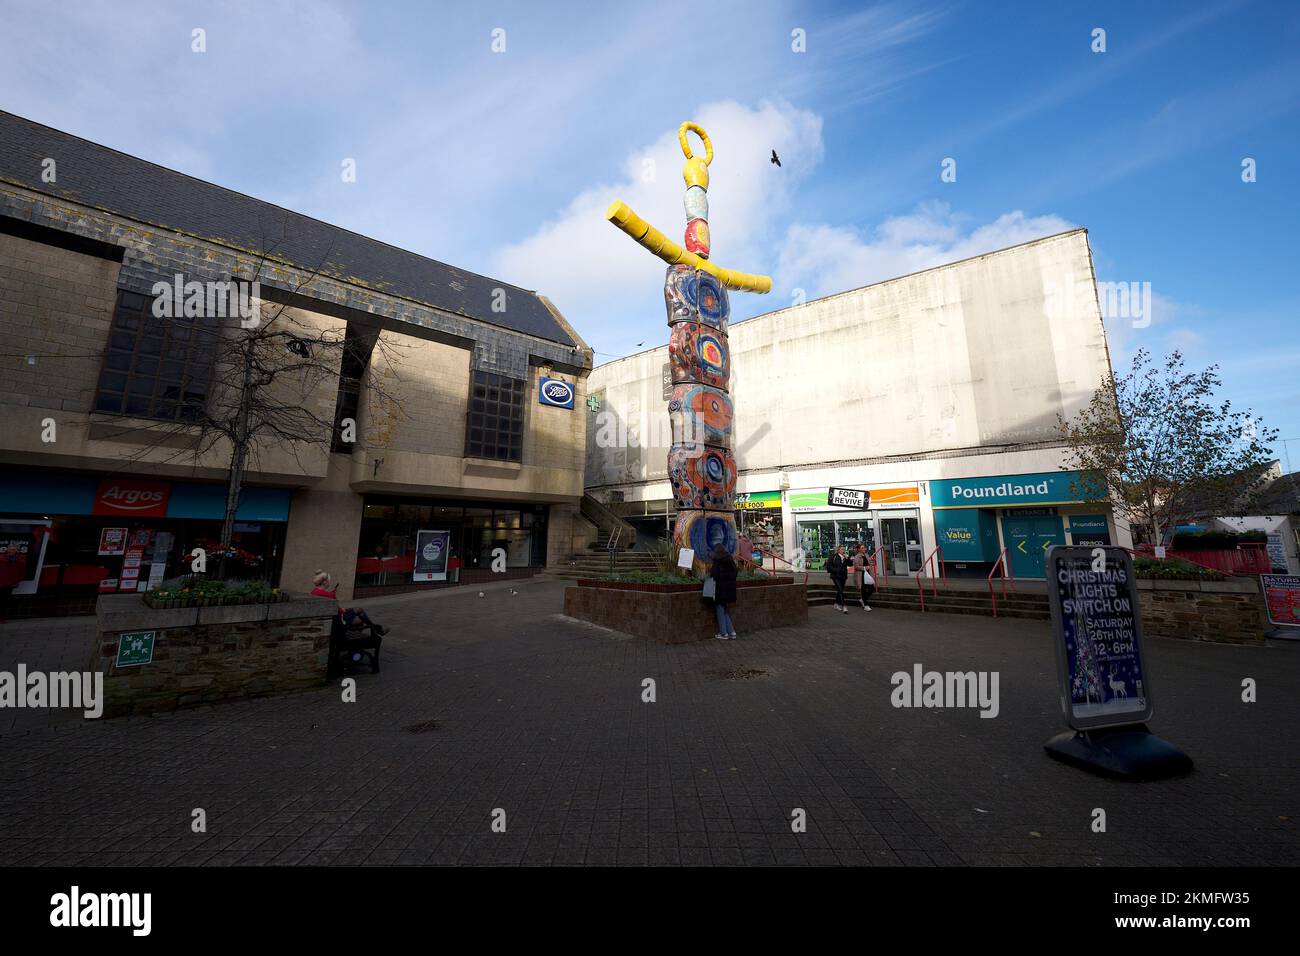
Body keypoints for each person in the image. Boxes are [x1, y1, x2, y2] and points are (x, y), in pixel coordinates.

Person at [312, 571, 388, 636]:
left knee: (359, 614)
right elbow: (335, 605)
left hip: (333, 617)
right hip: (338, 620)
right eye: (329, 581)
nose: (329, 583)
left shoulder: (314, 592)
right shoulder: (328, 594)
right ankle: (376, 630)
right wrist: (334, 597)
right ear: (324, 582)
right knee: (359, 613)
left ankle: (375, 629)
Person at [708, 543, 738, 640]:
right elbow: (735, 573)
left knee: (720, 610)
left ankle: (723, 633)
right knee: (724, 610)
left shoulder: (717, 561)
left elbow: (714, 575)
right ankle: (731, 631)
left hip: (720, 589)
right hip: (729, 590)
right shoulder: (730, 560)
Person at [826, 544, 850, 613]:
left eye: (844, 549)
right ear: (838, 550)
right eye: (842, 549)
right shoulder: (833, 557)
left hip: (843, 576)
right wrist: (836, 570)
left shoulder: (845, 557)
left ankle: (836, 604)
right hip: (836, 576)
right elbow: (829, 567)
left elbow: (850, 564)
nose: (843, 551)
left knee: (840, 590)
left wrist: (847, 558)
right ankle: (844, 606)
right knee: (840, 590)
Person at [852, 543, 875, 611]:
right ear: (859, 549)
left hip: (868, 574)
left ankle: (862, 600)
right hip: (861, 575)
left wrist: (870, 567)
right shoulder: (857, 557)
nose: (864, 549)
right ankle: (866, 605)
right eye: (862, 548)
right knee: (863, 590)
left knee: (871, 589)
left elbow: (869, 564)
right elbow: (856, 567)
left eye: (864, 547)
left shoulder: (866, 555)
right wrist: (864, 568)